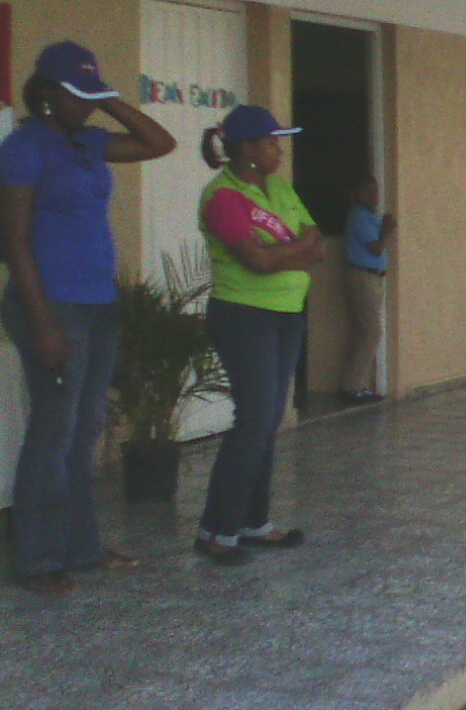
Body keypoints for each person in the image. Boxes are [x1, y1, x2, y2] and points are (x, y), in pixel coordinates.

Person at [0, 41, 175, 594]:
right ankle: (38, 560)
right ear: (46, 93)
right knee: (54, 429)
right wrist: (44, 320)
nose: (85, 103)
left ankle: (81, 547)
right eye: (76, 92)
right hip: (52, 304)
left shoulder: (89, 142)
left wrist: (108, 101)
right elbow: (16, 240)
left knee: (85, 429)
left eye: (90, 91)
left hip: (98, 302)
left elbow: (160, 143)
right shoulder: (24, 148)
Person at [194, 105, 324, 565]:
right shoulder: (225, 197)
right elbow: (257, 261)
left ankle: (253, 522)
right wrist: (294, 252)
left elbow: (318, 243)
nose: (279, 149)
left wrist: (284, 252)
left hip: (288, 313)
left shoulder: (280, 188)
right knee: (253, 421)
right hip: (245, 316)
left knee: (268, 422)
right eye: (270, 142)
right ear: (247, 149)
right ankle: (216, 531)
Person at [339, 174, 394, 405]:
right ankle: (352, 387)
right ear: (355, 194)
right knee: (372, 331)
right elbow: (376, 248)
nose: (374, 196)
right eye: (368, 191)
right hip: (363, 277)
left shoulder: (369, 216)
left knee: (365, 331)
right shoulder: (359, 217)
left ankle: (356, 385)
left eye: (376, 191)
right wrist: (387, 229)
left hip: (374, 278)